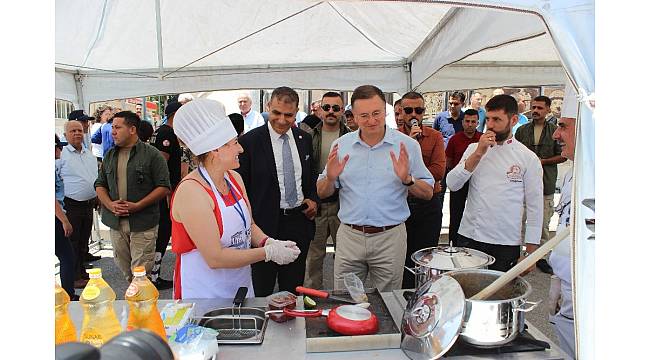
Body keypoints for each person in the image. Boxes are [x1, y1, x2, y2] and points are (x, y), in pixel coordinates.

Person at [170, 99, 300, 299]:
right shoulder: (192, 192)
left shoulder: (234, 178)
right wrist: (268, 253)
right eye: (235, 143)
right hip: (203, 293)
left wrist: (267, 241)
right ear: (215, 150)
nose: (240, 149)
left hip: (239, 285)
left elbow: (249, 224)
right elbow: (215, 257)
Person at [317, 85, 434, 291]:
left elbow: (428, 192)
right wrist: (331, 178)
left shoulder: (407, 146)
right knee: (346, 300)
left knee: (389, 302)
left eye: (376, 113)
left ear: (386, 112)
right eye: (364, 115)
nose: (371, 120)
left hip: (390, 238)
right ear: (352, 115)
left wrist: (408, 179)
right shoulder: (342, 145)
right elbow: (322, 192)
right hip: (350, 237)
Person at [446, 94, 543, 272]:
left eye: (497, 119)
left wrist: (531, 251)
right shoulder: (473, 149)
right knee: (467, 292)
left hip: (505, 242)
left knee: (500, 295)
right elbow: (452, 184)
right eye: (488, 118)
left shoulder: (528, 158)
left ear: (513, 120)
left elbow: (535, 206)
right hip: (471, 236)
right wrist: (477, 154)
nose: (490, 125)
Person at [237, 87, 318, 296]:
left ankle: (291, 328)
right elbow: (240, 188)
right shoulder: (249, 142)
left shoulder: (304, 139)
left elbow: (310, 177)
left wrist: (312, 199)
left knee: (293, 290)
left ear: (297, 112)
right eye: (276, 113)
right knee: (262, 289)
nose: (282, 120)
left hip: (298, 224)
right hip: (263, 228)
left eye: (288, 115)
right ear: (267, 108)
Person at [95, 111, 171, 283]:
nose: (112, 131)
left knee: (141, 275)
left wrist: (138, 205)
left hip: (143, 223)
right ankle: (136, 304)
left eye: (117, 127)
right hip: (116, 223)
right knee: (128, 274)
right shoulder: (110, 155)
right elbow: (100, 184)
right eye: (112, 127)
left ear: (132, 130)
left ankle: (142, 306)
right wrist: (110, 205)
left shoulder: (152, 154)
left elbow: (164, 187)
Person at [398, 91, 445, 289]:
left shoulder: (435, 136)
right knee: (403, 256)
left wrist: (410, 175)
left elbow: (438, 170)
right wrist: (411, 143)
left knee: (426, 257)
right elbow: (391, 173)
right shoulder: (393, 138)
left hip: (428, 205)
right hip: (402, 204)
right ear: (400, 112)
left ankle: (424, 296)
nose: (414, 114)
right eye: (409, 110)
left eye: (419, 110)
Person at [303, 92, 350, 289]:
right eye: (327, 107)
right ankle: (311, 300)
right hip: (317, 205)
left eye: (336, 108)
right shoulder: (307, 136)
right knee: (313, 258)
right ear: (320, 109)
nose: (331, 111)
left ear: (342, 111)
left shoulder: (351, 137)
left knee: (347, 258)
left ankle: (347, 303)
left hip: (344, 204)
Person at [515, 95, 566, 274]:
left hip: (546, 183)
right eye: (534, 107)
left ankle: (541, 257)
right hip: (521, 184)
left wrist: (542, 162)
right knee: (518, 220)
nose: (536, 111)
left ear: (548, 110)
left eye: (540, 108)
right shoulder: (521, 130)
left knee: (543, 223)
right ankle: (518, 254)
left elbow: (563, 155)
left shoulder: (555, 130)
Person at [548, 83, 579, 359]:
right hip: (566, 288)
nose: (556, 134)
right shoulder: (571, 175)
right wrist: (557, 277)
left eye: (564, 126)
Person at [59, 120, 99, 287]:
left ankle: (81, 271)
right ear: (66, 135)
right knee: (73, 242)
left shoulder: (89, 154)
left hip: (88, 204)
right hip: (71, 205)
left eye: (80, 130)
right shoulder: (62, 155)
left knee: (83, 241)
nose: (77, 133)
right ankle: (75, 277)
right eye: (73, 131)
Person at [149, 101, 184, 289]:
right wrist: (167, 192)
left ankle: (154, 274)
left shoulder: (162, 131)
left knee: (163, 233)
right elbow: (161, 164)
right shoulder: (166, 133)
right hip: (165, 193)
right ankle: (153, 276)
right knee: (162, 233)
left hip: (164, 191)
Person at [445, 109, 482, 246]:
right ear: (463, 122)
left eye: (473, 122)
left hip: (477, 183)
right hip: (459, 181)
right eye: (467, 121)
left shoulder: (482, 139)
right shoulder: (455, 139)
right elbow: (448, 161)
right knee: (456, 214)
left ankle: (473, 243)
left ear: (478, 123)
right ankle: (453, 243)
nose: (470, 124)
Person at [55, 134, 77, 299]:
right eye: (59, 147)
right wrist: (64, 220)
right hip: (55, 217)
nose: (60, 150)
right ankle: (68, 295)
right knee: (67, 256)